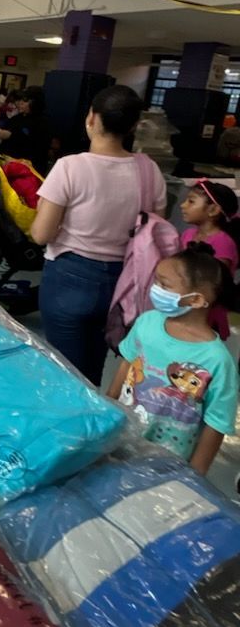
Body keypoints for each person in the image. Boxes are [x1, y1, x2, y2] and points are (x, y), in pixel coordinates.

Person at [31, 85, 167, 386]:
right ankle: (91, 426)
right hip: (122, 283)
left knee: (63, 371)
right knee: (93, 368)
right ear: (132, 125)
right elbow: (154, 230)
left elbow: (41, 234)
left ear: (91, 118)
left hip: (69, 277)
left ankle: (66, 428)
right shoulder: (149, 170)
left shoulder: (70, 167)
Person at [106, 247, 238, 475]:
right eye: (156, 282)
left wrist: (195, 474)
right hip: (120, 437)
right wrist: (107, 406)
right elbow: (128, 363)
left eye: (164, 285)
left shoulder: (217, 360)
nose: (155, 290)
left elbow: (216, 424)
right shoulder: (147, 323)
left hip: (167, 460)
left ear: (196, 300)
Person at [179, 179, 240, 340]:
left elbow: (217, 284)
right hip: (186, 306)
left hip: (206, 314)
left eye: (191, 201)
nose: (183, 205)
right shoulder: (187, 235)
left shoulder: (223, 242)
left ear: (213, 210)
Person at [0, 86, 52, 176]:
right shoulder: (16, 118)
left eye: (25, 101)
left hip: (28, 171)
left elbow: (38, 147)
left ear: (35, 102)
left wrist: (12, 136)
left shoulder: (42, 122)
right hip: (9, 167)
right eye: (20, 100)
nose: (20, 103)